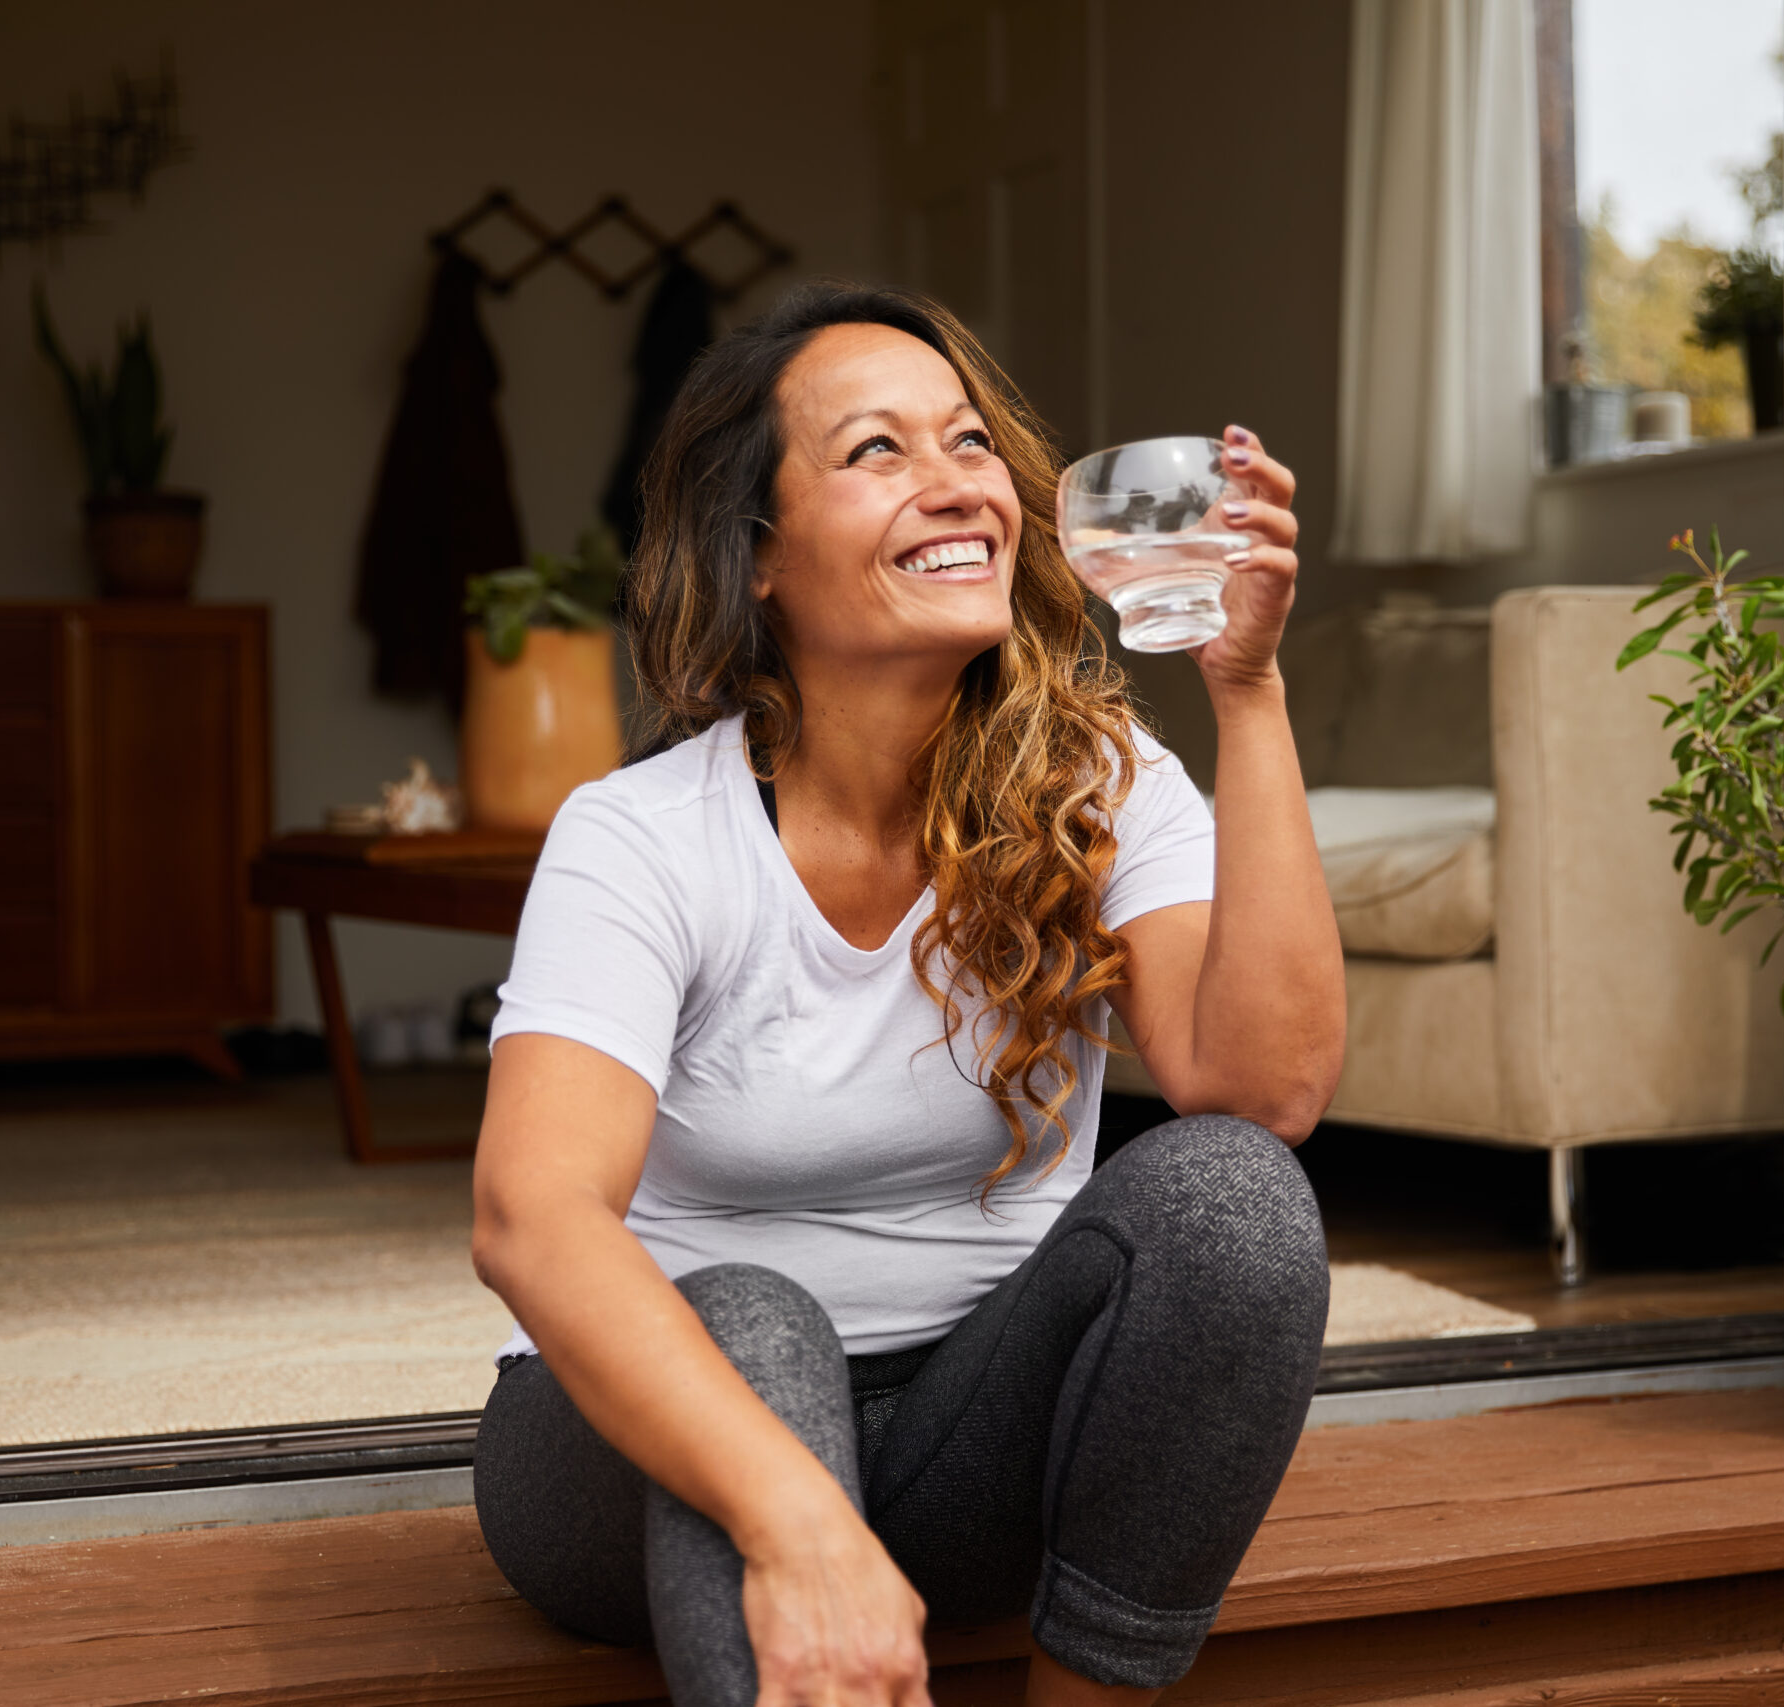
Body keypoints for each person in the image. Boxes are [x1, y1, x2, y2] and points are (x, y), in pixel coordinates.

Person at [470, 281, 1345, 1707]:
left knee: (1232, 1198)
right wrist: (794, 1518)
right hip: (637, 1463)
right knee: (748, 1316)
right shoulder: (641, 837)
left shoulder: (1100, 784)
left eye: (968, 443)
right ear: (754, 554)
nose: (954, 486)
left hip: (963, 1437)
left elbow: (1264, 1093)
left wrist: (1246, 691)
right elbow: (529, 1217)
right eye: (876, 451)